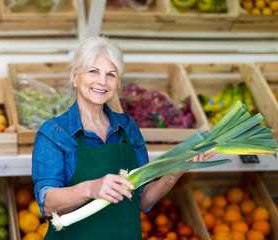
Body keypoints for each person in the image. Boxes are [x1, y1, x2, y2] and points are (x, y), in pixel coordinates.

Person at [32, 36, 215, 239]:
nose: (102, 81)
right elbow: (48, 204)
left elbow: (142, 199)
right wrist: (92, 188)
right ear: (75, 77)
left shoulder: (127, 127)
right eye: (93, 71)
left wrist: (173, 173)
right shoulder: (54, 133)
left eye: (111, 74)